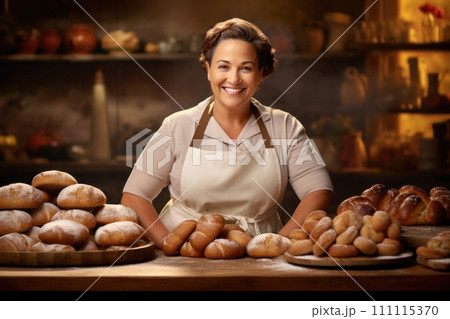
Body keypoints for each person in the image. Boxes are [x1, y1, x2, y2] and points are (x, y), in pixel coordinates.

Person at [121, 18, 333, 248]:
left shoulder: (285, 126)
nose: (233, 79)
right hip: (185, 256)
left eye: (246, 68)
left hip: (260, 255)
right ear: (208, 69)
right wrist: (166, 242)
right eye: (223, 66)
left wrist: (278, 242)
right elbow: (134, 196)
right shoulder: (177, 126)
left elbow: (318, 191)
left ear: (261, 74)